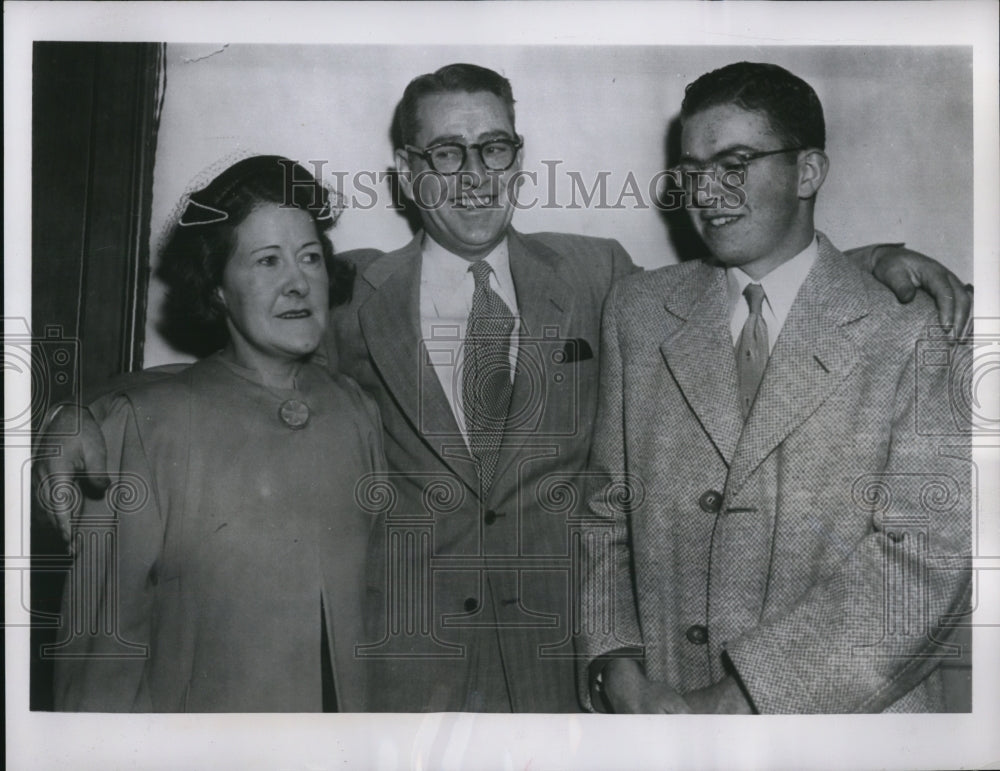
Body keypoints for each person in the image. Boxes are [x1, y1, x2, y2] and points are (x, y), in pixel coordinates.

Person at [37, 64, 971, 713]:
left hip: (576, 670)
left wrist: (877, 255)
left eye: (494, 148)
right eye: (444, 153)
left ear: (519, 157)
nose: (473, 175)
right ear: (408, 173)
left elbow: (745, 279)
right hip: (409, 674)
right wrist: (88, 412)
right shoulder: (354, 290)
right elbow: (233, 351)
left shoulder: (605, 274)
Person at [579, 62, 972, 714]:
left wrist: (741, 700)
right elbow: (604, 516)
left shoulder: (916, 327)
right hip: (662, 723)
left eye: (734, 163)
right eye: (692, 170)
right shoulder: (638, 311)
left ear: (809, 172)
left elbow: (924, 567)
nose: (706, 192)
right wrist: (613, 665)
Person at [52, 156, 385, 712]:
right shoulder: (144, 425)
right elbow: (100, 654)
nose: (298, 283)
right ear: (218, 289)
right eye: (267, 261)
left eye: (309, 258)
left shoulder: (354, 409)